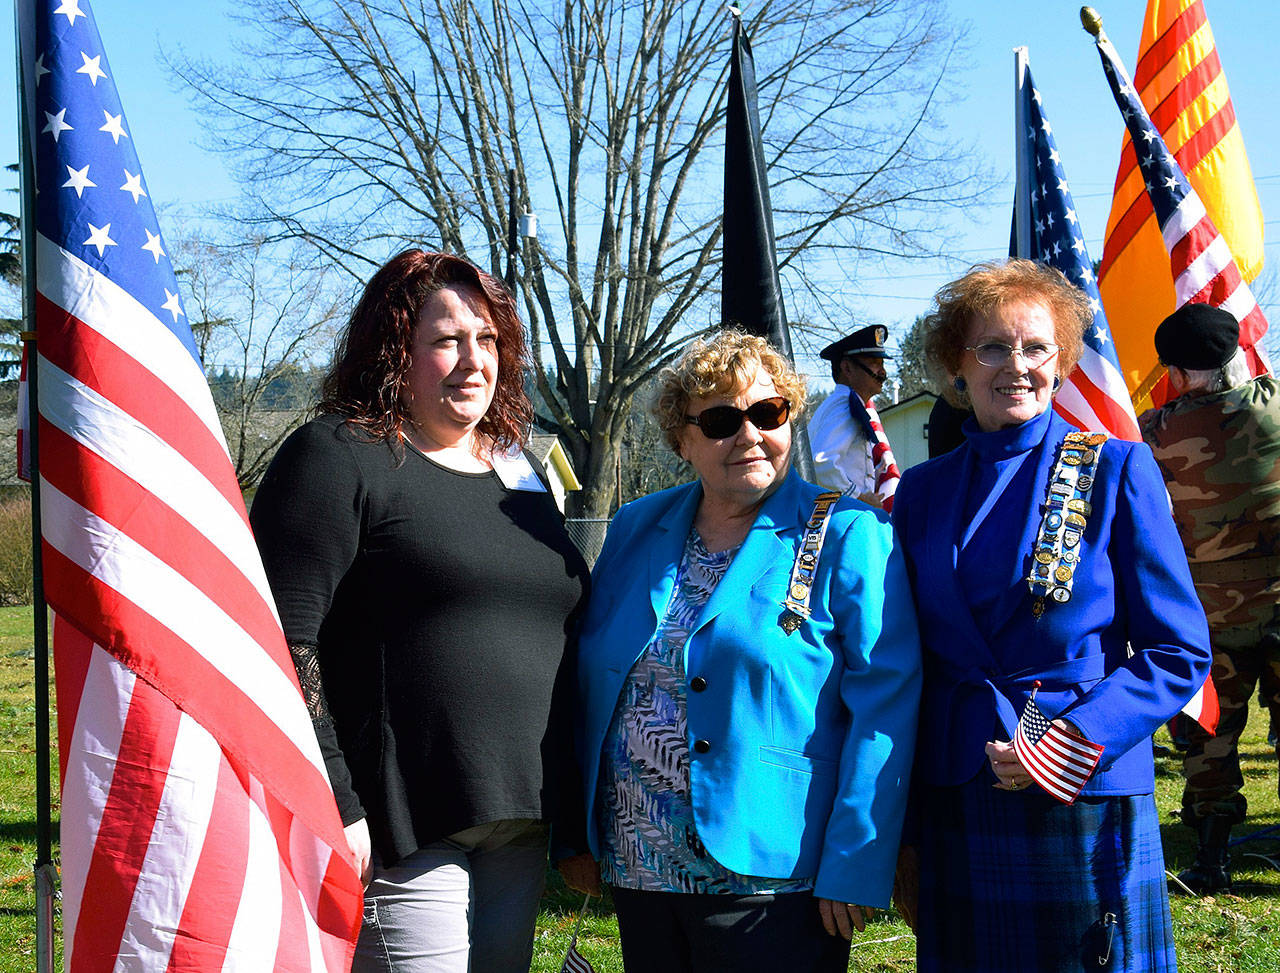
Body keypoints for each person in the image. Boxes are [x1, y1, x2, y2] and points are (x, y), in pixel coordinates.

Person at [250, 250, 592, 973]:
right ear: (393, 348)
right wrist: (339, 802)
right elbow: (284, 639)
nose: (474, 360)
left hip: (520, 817)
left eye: (488, 339)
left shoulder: (521, 472)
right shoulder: (339, 454)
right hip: (402, 822)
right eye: (447, 340)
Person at [892, 259, 1213, 972]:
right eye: (993, 347)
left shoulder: (1118, 468)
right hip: (957, 788)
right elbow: (905, 662)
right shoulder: (918, 492)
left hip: (1083, 785)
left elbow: (1179, 650)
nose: (1017, 366)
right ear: (957, 362)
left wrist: (1070, 741)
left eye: (1036, 348)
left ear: (1063, 361)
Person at [574, 329, 921, 972]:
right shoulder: (634, 526)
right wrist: (579, 833)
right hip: (638, 861)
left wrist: (856, 860)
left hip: (773, 874)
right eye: (720, 420)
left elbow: (886, 707)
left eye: (768, 413)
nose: (749, 434)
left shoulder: (848, 532)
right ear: (682, 439)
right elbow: (590, 679)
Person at [1139, 302, 1280, 894]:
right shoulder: (1274, 405)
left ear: (1174, 370)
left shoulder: (1152, 434)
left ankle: (1212, 854)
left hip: (1206, 612)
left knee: (1211, 733)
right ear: (1234, 356)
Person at [809, 324, 901, 507]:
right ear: (847, 368)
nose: (882, 372)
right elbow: (822, 462)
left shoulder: (847, 402)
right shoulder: (844, 404)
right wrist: (859, 497)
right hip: (840, 514)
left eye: (882, 364)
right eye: (874, 364)